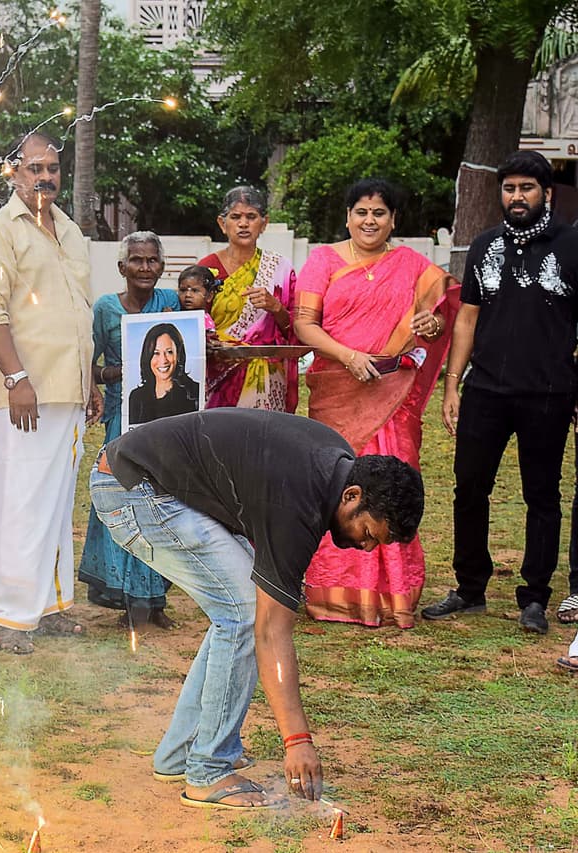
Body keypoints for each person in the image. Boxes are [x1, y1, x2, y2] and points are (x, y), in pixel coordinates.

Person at [91, 409, 423, 808]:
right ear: (352, 497)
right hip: (134, 490)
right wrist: (297, 741)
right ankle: (208, 769)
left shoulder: (336, 465)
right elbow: (270, 631)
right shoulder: (297, 500)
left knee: (237, 610)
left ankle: (184, 752)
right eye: (368, 532)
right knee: (244, 614)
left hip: (147, 480)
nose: (367, 547)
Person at [424, 151, 578, 635]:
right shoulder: (485, 245)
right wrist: (452, 383)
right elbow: (466, 318)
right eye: (509, 188)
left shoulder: (572, 245)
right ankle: (470, 589)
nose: (517, 197)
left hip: (548, 392)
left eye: (527, 189)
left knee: (541, 495)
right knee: (469, 489)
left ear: (546, 194)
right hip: (485, 390)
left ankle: (534, 597)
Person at [294, 178, 459, 628]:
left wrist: (430, 322)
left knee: (394, 485)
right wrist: (348, 356)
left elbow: (443, 312)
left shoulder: (410, 265)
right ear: (348, 216)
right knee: (337, 485)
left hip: (393, 393)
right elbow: (304, 325)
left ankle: (391, 597)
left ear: (393, 220)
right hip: (337, 390)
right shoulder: (323, 260)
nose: (370, 221)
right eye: (362, 212)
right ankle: (333, 592)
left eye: (379, 213)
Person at [0, 131, 103, 655]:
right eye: (35, 168)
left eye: (53, 169)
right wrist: (16, 378)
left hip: (68, 387)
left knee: (56, 501)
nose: (45, 177)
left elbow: (78, 312)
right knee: (17, 501)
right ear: (13, 172)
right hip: (24, 391)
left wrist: (89, 380)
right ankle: (7, 614)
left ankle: (47, 604)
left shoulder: (68, 231)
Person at [79, 232, 178, 632]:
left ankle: (154, 599)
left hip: (167, 416)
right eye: (136, 260)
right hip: (123, 418)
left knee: (161, 499)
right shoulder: (105, 308)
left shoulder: (170, 303)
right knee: (123, 497)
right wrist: (111, 375)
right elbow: (90, 362)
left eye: (152, 261)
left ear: (161, 266)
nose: (144, 268)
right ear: (122, 268)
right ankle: (126, 595)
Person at [198, 186, 298, 412]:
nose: (243, 224)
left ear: (264, 223)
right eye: (235, 217)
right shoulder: (206, 268)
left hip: (266, 378)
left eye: (251, 217)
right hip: (218, 375)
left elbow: (296, 330)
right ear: (223, 224)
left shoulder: (280, 269)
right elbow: (193, 321)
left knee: (263, 443)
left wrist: (275, 307)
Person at [127, 322, 200, 424]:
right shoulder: (137, 397)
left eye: (169, 352)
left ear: (178, 355)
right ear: (147, 356)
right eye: (156, 353)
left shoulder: (195, 392)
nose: (163, 360)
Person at [177, 265, 219, 332]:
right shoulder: (176, 314)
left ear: (209, 296)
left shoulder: (206, 323)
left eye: (195, 290)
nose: (188, 295)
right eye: (183, 290)